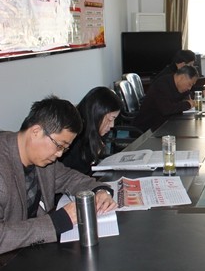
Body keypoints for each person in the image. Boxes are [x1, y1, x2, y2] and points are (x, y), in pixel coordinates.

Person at [0, 96, 117, 254]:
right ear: (36, 131)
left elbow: (69, 178)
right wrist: (57, 222)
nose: (60, 154)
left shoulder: (42, 159)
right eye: (59, 146)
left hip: (32, 250)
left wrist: (100, 190)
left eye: (65, 148)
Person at [61, 87, 122, 175]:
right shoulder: (74, 136)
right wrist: (91, 155)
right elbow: (76, 173)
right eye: (110, 119)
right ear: (97, 114)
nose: (112, 125)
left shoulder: (93, 132)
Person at [133, 65, 199, 131]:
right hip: (147, 129)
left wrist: (188, 101)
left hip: (165, 124)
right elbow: (166, 109)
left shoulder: (178, 86)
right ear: (182, 77)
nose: (189, 88)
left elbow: (187, 97)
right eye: (189, 84)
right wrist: (187, 104)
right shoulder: (161, 85)